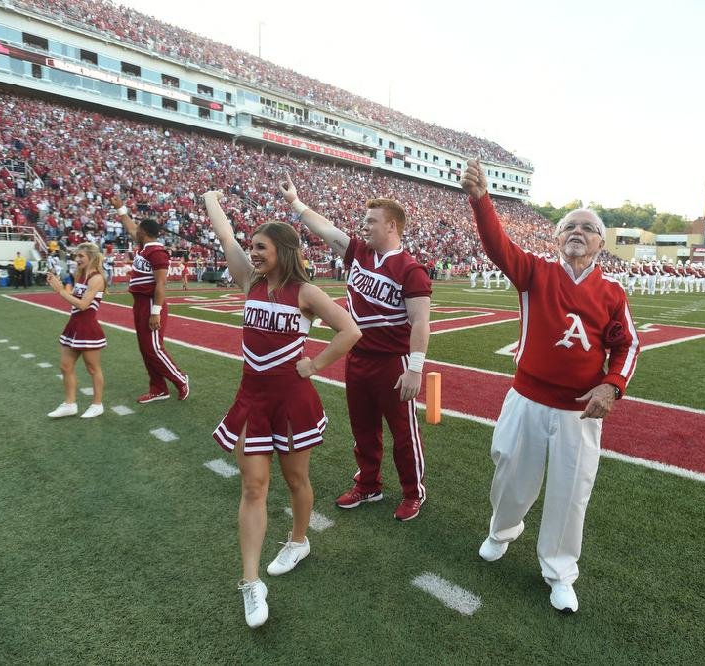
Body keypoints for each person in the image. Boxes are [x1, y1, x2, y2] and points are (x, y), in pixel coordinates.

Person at [461, 159, 640, 613]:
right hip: (526, 398)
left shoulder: (613, 291)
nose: (578, 231)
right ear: (557, 238)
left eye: (588, 226)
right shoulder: (535, 272)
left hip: (578, 412)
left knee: (570, 491)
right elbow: (498, 246)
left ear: (601, 242)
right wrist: (481, 200)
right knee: (509, 472)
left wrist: (612, 386)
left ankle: (560, 571)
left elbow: (627, 346)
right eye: (569, 226)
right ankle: (503, 530)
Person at [203, 190, 361, 629]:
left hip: (292, 401)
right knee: (253, 486)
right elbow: (224, 236)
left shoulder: (305, 292)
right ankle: (251, 582)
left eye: (261, 247)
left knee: (295, 480)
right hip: (252, 398)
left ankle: (297, 540)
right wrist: (210, 198)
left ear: (283, 252)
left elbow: (350, 331)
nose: (252, 253)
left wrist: (315, 364)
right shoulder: (249, 282)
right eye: (251, 246)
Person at [279, 173, 432, 522]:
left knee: (403, 433)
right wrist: (295, 202)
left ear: (392, 225)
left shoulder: (411, 269)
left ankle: (413, 492)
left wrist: (415, 367)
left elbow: (421, 321)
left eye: (371, 221)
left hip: (394, 361)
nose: (364, 227)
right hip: (359, 357)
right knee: (363, 429)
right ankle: (369, 484)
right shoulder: (359, 252)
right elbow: (325, 228)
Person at [111, 195, 190, 403]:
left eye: (138, 230)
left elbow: (161, 284)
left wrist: (155, 312)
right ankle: (158, 388)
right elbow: (130, 227)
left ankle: (180, 379)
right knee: (145, 349)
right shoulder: (145, 248)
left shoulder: (157, 252)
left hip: (150, 304)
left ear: (144, 232)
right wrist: (121, 209)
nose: (134, 232)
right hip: (139, 303)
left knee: (154, 348)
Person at [44, 243, 107, 419]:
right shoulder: (80, 276)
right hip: (74, 325)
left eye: (81, 256)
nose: (77, 259)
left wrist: (60, 291)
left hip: (87, 327)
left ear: (91, 257)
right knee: (65, 366)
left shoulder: (97, 278)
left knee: (93, 368)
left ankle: (97, 404)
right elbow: (74, 300)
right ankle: (70, 404)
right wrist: (59, 286)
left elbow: (83, 305)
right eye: (76, 256)